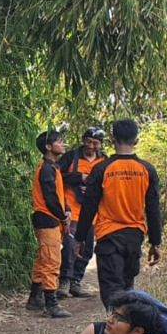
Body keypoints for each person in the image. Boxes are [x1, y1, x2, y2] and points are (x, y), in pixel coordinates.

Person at [74, 118, 162, 309]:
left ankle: (116, 329)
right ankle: (125, 328)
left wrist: (79, 238)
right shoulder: (146, 170)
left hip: (108, 237)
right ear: (136, 140)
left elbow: (89, 207)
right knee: (127, 288)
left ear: (113, 139)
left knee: (112, 292)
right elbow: (153, 209)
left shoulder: (102, 169)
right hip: (134, 237)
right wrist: (155, 242)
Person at [57, 127, 106, 299]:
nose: (91, 146)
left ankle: (76, 280)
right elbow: (56, 174)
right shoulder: (71, 157)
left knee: (87, 249)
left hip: (92, 212)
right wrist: (80, 177)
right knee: (69, 246)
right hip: (72, 209)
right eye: (88, 141)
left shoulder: (104, 161)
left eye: (95, 143)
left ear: (100, 144)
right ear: (83, 140)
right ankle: (64, 280)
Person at [27, 130, 71, 318]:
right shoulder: (46, 168)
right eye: (59, 142)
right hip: (47, 218)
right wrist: (63, 216)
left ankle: (34, 298)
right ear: (48, 147)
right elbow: (50, 197)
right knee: (52, 260)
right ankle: (51, 304)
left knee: (43, 258)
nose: (63, 144)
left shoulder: (53, 167)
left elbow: (58, 195)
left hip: (50, 217)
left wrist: (65, 209)